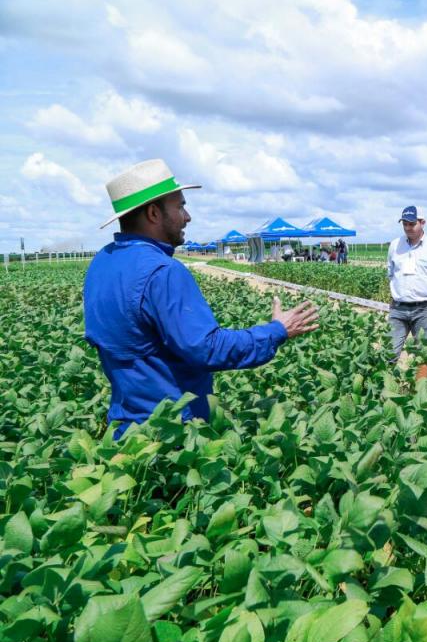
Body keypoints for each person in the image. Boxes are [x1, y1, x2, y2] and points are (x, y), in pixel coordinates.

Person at [83, 159, 319, 438]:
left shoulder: (102, 264)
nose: (187, 216)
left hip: (124, 431)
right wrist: (276, 331)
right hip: (171, 436)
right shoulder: (162, 271)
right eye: (180, 206)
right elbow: (207, 348)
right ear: (153, 213)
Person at [386, 206, 427, 372]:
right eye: (405, 224)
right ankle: (383, 389)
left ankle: (420, 393)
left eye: (412, 224)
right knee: (389, 352)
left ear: (422, 222)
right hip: (398, 308)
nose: (408, 228)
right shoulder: (395, 245)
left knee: (422, 354)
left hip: (423, 309)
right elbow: (391, 272)